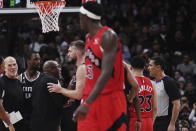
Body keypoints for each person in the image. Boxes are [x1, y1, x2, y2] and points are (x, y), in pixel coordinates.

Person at [72, 1, 128, 130]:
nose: (79, 21)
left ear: (86, 18)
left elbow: (106, 73)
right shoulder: (88, 38)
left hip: (110, 99)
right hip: (90, 97)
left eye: (80, 18)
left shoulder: (108, 36)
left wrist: (87, 103)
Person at [47, 40, 86, 131]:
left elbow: (78, 94)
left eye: (70, 51)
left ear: (77, 52)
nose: (68, 54)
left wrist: (60, 89)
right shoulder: (80, 68)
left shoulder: (83, 68)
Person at [29, 60, 65, 131]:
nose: (60, 69)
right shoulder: (52, 80)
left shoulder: (37, 80)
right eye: (58, 67)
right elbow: (61, 102)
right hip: (48, 125)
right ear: (50, 69)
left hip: (36, 123)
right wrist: (71, 86)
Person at [148, 56, 181, 131]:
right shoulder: (151, 82)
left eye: (150, 65)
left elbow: (177, 104)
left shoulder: (169, 82)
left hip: (166, 122)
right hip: (155, 121)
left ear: (158, 67)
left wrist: (172, 124)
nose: (148, 68)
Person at [129, 56, 157, 131]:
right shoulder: (152, 83)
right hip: (148, 121)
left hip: (134, 120)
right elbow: (155, 108)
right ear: (144, 67)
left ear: (131, 67)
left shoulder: (130, 82)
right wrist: (151, 122)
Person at [18, 52, 42, 131]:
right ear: (28, 61)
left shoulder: (43, 79)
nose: (38, 61)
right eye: (35, 59)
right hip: (22, 118)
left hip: (38, 119)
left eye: (39, 59)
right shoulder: (19, 78)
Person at [0, 56, 25, 131]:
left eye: (14, 64)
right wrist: (9, 125)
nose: (13, 67)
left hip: (20, 125)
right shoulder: (1, 82)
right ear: (4, 67)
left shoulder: (19, 83)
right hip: (5, 126)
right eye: (9, 65)